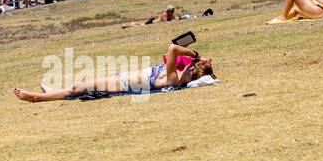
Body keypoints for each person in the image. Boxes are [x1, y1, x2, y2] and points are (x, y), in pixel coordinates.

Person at [13, 43, 213, 102]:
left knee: (78, 88)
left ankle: (36, 97)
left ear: (192, 73)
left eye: (191, 67)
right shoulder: (176, 75)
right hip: (124, 79)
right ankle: (50, 91)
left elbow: (172, 48)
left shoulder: (173, 80)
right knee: (80, 85)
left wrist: (197, 54)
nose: (189, 65)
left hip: (123, 85)